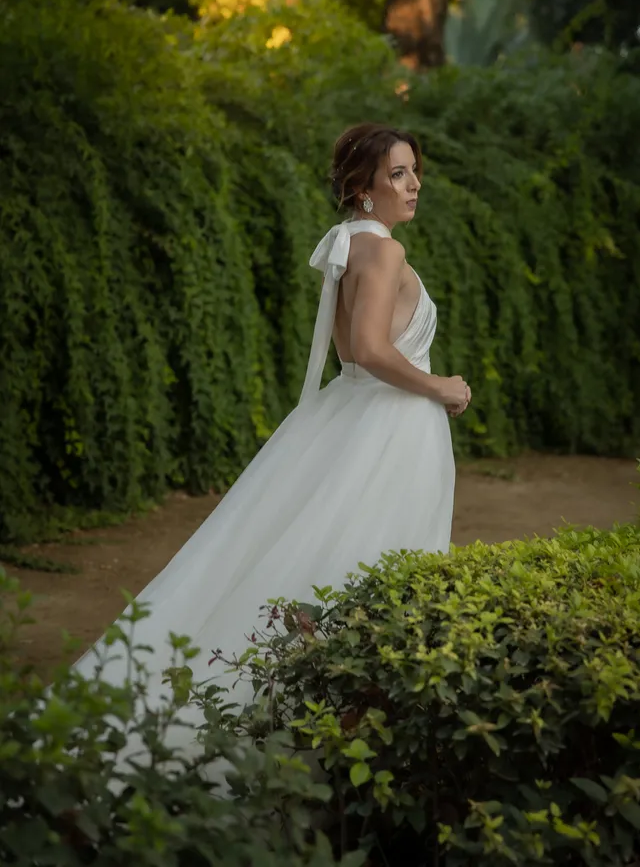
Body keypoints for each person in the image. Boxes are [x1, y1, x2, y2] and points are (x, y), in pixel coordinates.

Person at [72, 122, 472, 716]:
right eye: (398, 174)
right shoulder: (384, 249)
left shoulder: (350, 240)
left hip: (359, 414)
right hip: (390, 429)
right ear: (365, 188)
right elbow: (366, 349)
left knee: (326, 550)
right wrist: (441, 386)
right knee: (371, 565)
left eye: (414, 171)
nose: (415, 184)